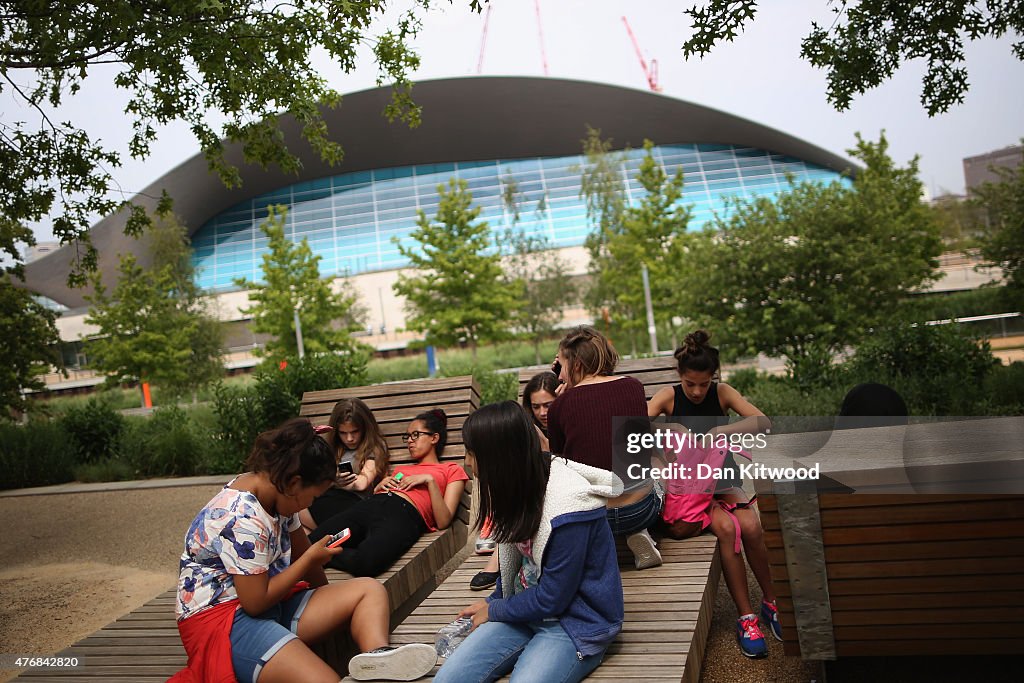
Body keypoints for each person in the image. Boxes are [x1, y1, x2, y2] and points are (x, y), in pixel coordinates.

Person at [172, 418, 437, 683]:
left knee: (369, 590)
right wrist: (311, 559)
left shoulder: (278, 492)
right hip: (225, 619)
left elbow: (303, 555)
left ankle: (378, 660)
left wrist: (330, 602)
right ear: (295, 483)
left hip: (272, 601)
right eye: (313, 496)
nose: (312, 503)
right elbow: (255, 603)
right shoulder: (241, 516)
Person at [434, 401, 624, 683]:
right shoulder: (516, 488)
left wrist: (496, 610)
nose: (468, 462)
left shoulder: (568, 509)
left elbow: (553, 598)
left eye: (472, 452)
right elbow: (516, 561)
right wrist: (495, 600)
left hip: (574, 623)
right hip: (524, 610)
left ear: (500, 457)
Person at [648, 330, 779, 659]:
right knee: (728, 529)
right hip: (691, 488)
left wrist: (723, 430)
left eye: (703, 384)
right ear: (680, 376)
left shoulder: (722, 393)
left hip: (723, 477)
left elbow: (763, 422)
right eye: (690, 383)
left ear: (713, 378)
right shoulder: (667, 397)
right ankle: (746, 618)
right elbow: (632, 430)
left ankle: (772, 602)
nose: (696, 391)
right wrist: (668, 436)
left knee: (752, 527)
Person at [546, 325, 665, 570]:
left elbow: (559, 459)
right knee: (654, 472)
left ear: (576, 364)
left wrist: (564, 399)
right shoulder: (633, 387)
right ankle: (638, 532)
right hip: (641, 509)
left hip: (593, 517)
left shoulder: (560, 406)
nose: (559, 376)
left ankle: (597, 544)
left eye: (562, 365)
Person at [309, 409, 468, 578]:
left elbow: (443, 521)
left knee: (367, 563)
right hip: (371, 505)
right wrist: (380, 485)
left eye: (415, 435)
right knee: (310, 543)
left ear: (434, 438)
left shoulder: (451, 470)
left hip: (405, 514)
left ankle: (324, 556)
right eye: (407, 437)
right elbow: (379, 490)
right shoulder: (402, 469)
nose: (410, 441)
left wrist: (429, 481)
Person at [470, 371, 561, 591]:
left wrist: (547, 450)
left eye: (548, 405)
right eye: (536, 406)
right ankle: (498, 549)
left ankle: (499, 552)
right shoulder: (525, 430)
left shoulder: (567, 426)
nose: (542, 412)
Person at [299, 398, 390, 533]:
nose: (349, 438)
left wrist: (337, 481)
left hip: (352, 504)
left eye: (354, 432)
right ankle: (322, 540)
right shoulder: (332, 449)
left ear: (365, 428)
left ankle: (322, 538)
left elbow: (361, 484)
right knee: (296, 515)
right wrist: (333, 479)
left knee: (297, 516)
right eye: (343, 433)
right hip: (328, 500)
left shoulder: (374, 447)